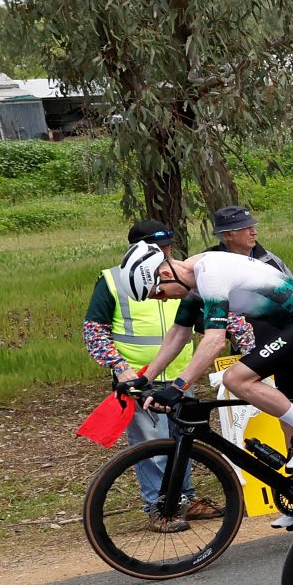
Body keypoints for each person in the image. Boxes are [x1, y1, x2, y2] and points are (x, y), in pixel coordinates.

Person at [122, 241, 293, 508]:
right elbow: (179, 333)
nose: (163, 299)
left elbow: (214, 341)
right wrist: (146, 377)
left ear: (165, 274)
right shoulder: (192, 279)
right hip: (290, 327)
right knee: (290, 419)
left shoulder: (209, 274)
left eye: (158, 294)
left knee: (235, 379)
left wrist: (178, 387)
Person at [81, 222, 219, 532]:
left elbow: (200, 318)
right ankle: (159, 510)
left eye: (168, 245)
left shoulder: (181, 274)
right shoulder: (114, 280)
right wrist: (120, 368)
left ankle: (184, 501)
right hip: (141, 379)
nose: (165, 252)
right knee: (151, 446)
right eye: (156, 247)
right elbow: (94, 331)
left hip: (181, 377)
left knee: (183, 442)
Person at [206, 204, 288, 272]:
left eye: (253, 227)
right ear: (228, 235)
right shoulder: (207, 265)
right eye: (248, 228)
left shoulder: (269, 259)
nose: (255, 232)